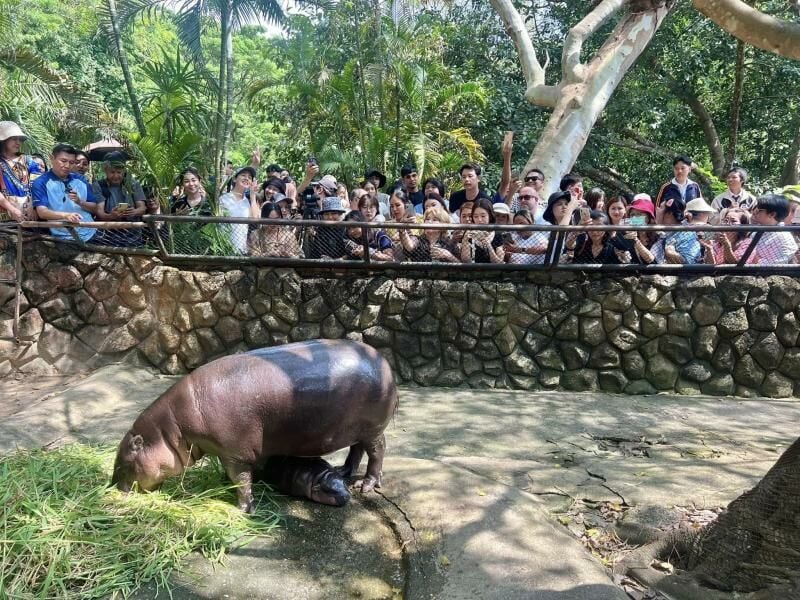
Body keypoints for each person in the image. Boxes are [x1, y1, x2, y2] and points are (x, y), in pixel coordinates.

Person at [31, 143, 97, 242]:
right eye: (63, 161)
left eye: (71, 162)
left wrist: (80, 202)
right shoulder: (41, 183)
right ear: (51, 158)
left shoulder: (80, 179)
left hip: (91, 232)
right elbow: (42, 212)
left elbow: (94, 207)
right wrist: (65, 216)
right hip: (64, 236)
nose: (67, 166)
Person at [0, 121, 43, 221]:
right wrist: (12, 210)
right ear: (3, 141)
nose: (18, 142)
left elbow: (39, 185)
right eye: (14, 139)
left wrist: (34, 205)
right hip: (5, 215)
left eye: (20, 139)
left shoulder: (29, 161)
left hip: (32, 212)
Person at [218, 166, 259, 254]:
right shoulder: (223, 199)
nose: (246, 178)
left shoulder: (247, 202)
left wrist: (253, 196)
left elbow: (254, 219)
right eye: (243, 175)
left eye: (249, 177)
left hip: (241, 251)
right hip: (223, 249)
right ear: (235, 179)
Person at [651, 197, 701, 264]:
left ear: (669, 214)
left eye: (661, 207)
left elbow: (689, 262)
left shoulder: (687, 233)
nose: (657, 209)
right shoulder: (661, 232)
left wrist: (671, 254)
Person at [751, 194, 798, 265]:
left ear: (772, 214)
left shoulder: (784, 237)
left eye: (759, 210)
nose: (755, 212)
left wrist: (752, 257)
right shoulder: (756, 231)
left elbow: (775, 265)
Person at [460, 198, 504, 264]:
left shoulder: (497, 234)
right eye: (476, 216)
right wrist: (465, 240)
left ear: (490, 216)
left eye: (483, 216)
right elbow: (465, 261)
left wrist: (489, 246)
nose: (479, 220)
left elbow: (498, 263)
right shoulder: (469, 232)